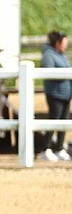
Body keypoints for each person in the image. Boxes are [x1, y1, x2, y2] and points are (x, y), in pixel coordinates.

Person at [40, 29, 71, 161]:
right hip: (55, 94)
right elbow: (49, 73)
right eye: (64, 42)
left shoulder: (62, 55)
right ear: (57, 43)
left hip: (65, 94)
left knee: (63, 122)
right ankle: (45, 149)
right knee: (54, 120)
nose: (66, 45)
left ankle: (59, 148)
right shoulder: (48, 55)